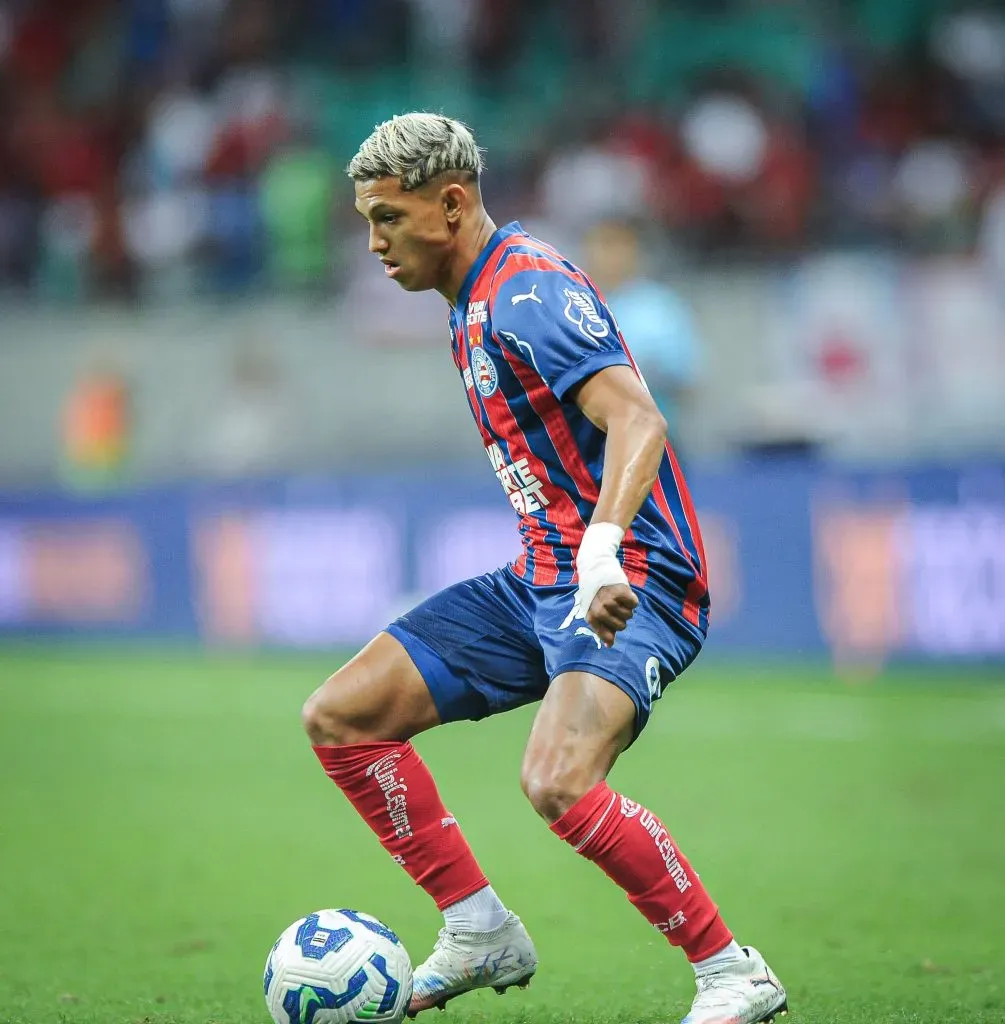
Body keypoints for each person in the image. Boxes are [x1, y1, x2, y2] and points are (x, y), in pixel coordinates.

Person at [302, 113, 788, 1024]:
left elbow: (639, 421)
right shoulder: (468, 294)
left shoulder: (524, 291)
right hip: (540, 581)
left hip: (634, 578)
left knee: (557, 778)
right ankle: (478, 928)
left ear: (450, 204)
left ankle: (732, 973)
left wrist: (602, 551)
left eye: (386, 218)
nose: (372, 243)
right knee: (342, 718)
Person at [582, 216, 702, 453]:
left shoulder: (660, 307)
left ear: (634, 250)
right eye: (602, 246)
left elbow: (687, 375)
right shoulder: (575, 305)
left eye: (616, 246)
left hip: (651, 439)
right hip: (588, 443)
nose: (609, 258)